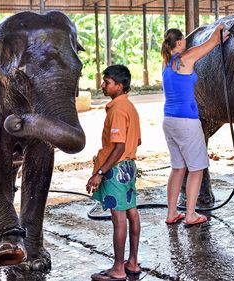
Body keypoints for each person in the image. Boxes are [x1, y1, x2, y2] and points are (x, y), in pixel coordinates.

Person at [161, 24, 229, 225]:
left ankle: (172, 213)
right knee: (197, 168)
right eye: (184, 40)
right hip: (186, 122)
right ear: (180, 41)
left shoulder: (166, 64)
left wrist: (217, 40)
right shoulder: (186, 58)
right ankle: (190, 214)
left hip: (169, 121)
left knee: (178, 168)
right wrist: (219, 27)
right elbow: (212, 42)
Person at [86, 65, 142, 281]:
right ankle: (133, 262)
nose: (102, 85)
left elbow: (118, 146)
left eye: (107, 82)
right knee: (132, 213)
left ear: (119, 86)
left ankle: (118, 269)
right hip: (129, 168)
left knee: (119, 220)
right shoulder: (129, 106)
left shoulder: (117, 110)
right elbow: (136, 141)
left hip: (115, 170)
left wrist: (100, 172)